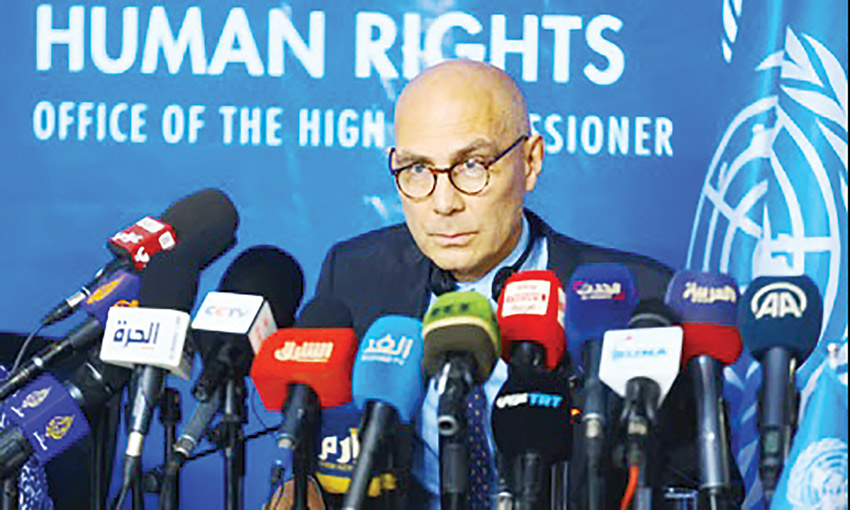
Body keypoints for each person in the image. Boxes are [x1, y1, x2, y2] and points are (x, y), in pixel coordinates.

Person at [295, 59, 731, 509]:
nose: (443, 203)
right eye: (418, 169)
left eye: (472, 165)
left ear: (530, 161)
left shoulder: (642, 299)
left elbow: (701, 487)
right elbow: (321, 460)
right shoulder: (354, 277)